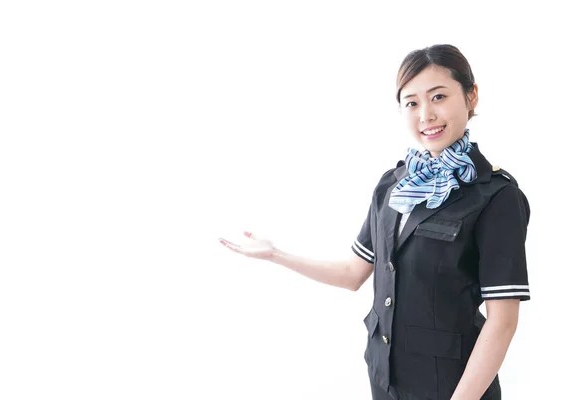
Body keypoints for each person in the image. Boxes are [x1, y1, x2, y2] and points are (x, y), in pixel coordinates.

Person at [218, 44, 530, 400]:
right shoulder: (394, 186)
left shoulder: (495, 196)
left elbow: (503, 322)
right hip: (385, 377)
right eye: (411, 103)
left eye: (438, 96)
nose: (426, 115)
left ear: (471, 96)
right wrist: (277, 254)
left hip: (455, 386)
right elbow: (354, 273)